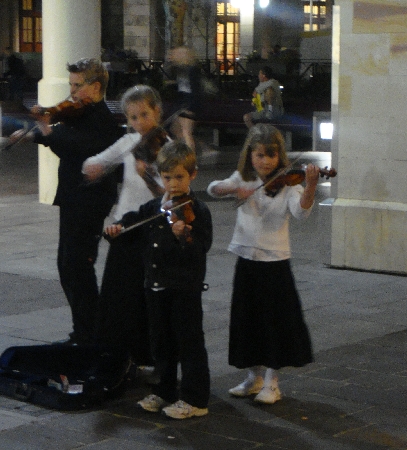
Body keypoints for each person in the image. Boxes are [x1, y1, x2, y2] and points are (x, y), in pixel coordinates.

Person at [10, 58, 125, 346]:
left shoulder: (103, 121)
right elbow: (64, 135)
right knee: (67, 265)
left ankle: (91, 333)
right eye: (71, 85)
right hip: (74, 196)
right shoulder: (79, 113)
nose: (71, 93)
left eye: (77, 85)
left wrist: (46, 131)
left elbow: (75, 149)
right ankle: (83, 330)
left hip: (90, 199)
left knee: (78, 267)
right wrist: (36, 135)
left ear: (96, 86)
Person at [206, 123, 318, 404]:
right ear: (250, 156)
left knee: (273, 322)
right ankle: (253, 377)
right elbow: (213, 188)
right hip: (246, 258)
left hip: (274, 261)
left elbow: (301, 213)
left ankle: (272, 381)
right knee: (248, 320)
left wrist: (311, 187)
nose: (265, 161)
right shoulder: (244, 177)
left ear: (280, 156)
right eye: (259, 155)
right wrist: (229, 189)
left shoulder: (289, 185)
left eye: (271, 155)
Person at [104, 141, 213, 420]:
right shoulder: (154, 207)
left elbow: (202, 246)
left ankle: (195, 397)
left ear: (192, 175)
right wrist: (118, 229)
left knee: (188, 342)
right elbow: (132, 225)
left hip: (184, 288)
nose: (173, 184)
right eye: (167, 178)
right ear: (159, 177)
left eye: (179, 177)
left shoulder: (197, 211)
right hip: (155, 287)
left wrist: (184, 236)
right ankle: (164, 390)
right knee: (160, 342)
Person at [83, 84, 167, 366]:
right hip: (123, 227)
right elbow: (97, 161)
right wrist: (92, 167)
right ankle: (118, 354)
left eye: (144, 115)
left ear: (157, 111)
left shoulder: (168, 149)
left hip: (153, 227)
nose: (138, 123)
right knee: (120, 295)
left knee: (146, 296)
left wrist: (148, 177)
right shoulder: (128, 143)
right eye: (132, 118)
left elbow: (169, 194)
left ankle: (148, 355)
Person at [164, 46, 202, 153]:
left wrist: (190, 106)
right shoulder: (181, 69)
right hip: (183, 103)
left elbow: (195, 89)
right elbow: (182, 87)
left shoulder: (192, 70)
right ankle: (181, 153)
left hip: (189, 104)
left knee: (186, 132)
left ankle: (190, 158)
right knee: (175, 129)